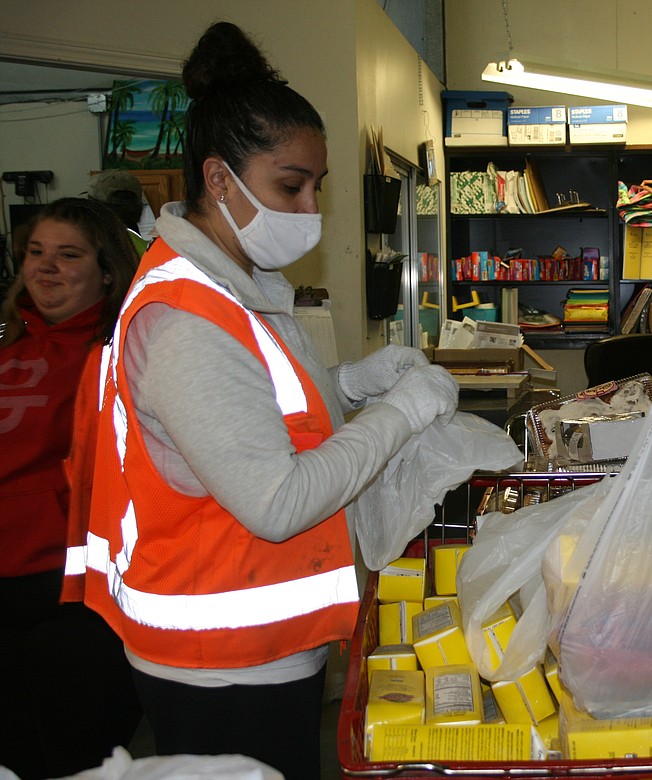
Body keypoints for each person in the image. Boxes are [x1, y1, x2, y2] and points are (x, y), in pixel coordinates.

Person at [64, 21, 459, 780]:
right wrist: (401, 413)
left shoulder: (235, 289)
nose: (311, 206)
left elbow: (257, 418)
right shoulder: (189, 320)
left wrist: (352, 383)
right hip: (222, 664)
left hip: (256, 644)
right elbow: (277, 499)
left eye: (317, 185)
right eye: (291, 185)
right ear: (218, 179)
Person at [0, 197, 141, 779]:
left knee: (76, 759)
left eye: (68, 255)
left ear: (106, 269)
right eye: (36, 253)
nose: (46, 268)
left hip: (74, 596)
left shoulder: (122, 353)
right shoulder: (9, 343)